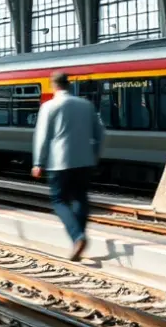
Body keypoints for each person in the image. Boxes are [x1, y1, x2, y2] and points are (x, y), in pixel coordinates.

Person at [32, 71, 105, 261]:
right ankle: (78, 239)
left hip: (59, 162)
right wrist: (95, 155)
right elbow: (100, 133)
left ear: (53, 86)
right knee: (81, 197)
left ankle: (77, 237)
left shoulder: (49, 106)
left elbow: (42, 137)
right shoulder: (86, 105)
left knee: (59, 200)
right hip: (84, 160)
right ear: (69, 85)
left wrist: (38, 162)